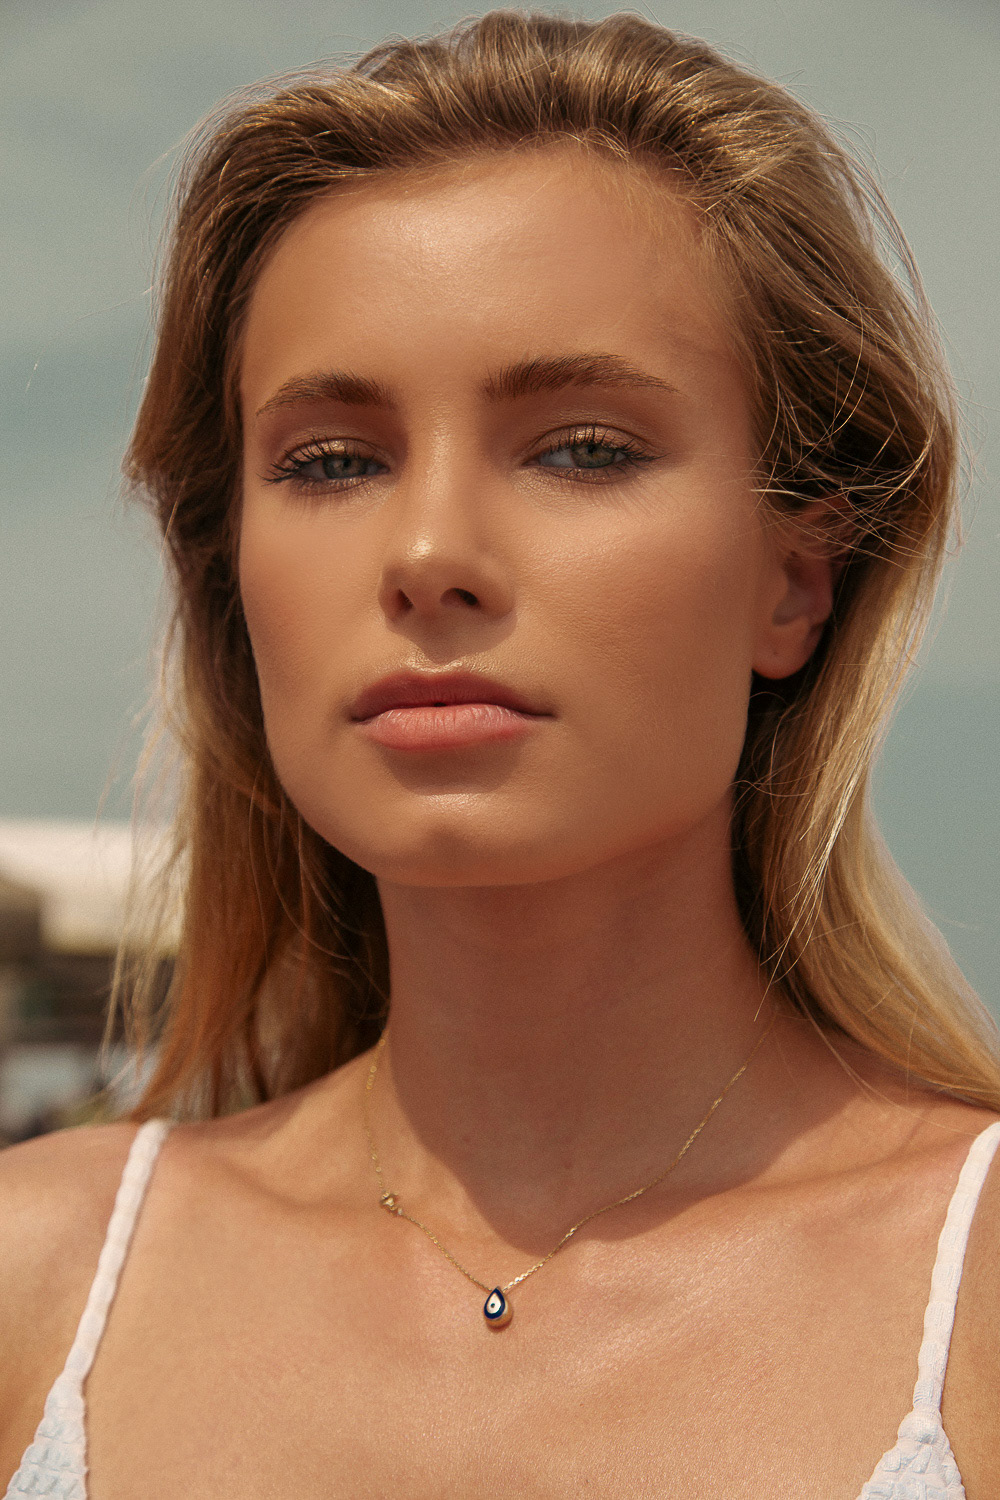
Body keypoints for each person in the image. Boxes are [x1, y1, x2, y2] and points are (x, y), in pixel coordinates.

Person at [1, 11, 997, 1496]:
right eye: (332, 460)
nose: (427, 555)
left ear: (798, 580)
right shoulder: (38, 1284)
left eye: (582, 446)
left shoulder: (971, 1296)